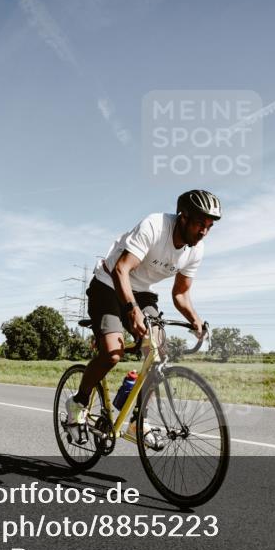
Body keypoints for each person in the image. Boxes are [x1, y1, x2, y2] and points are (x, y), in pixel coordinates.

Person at [65, 189, 221, 446]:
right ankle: (77, 404)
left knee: (158, 351)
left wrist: (195, 320)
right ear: (183, 217)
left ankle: (138, 420)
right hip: (108, 284)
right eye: (198, 223)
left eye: (209, 226)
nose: (203, 231)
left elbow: (181, 294)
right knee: (112, 354)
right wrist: (130, 310)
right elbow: (121, 269)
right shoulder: (155, 226)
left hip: (142, 292)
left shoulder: (195, 250)